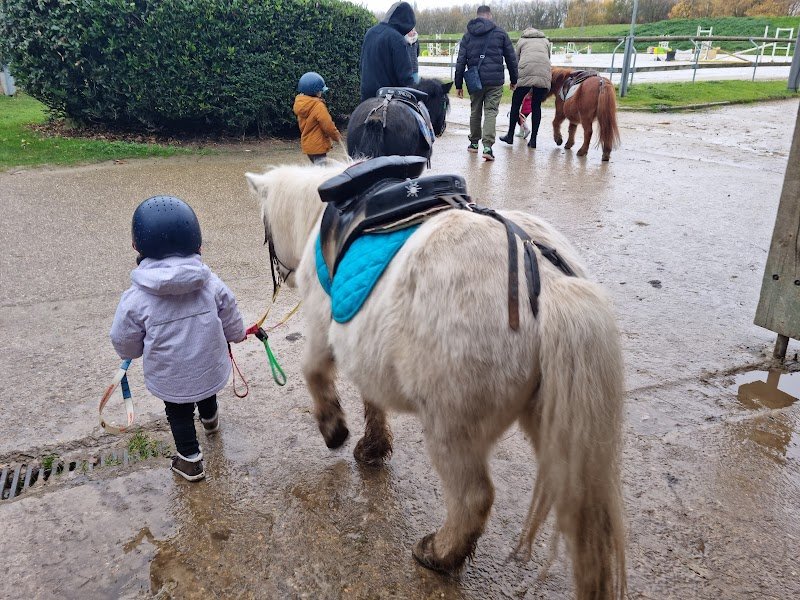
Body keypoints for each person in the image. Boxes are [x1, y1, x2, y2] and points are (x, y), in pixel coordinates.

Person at [110, 196, 246, 482]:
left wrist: (134, 351)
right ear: (197, 244)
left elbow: (124, 341)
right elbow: (230, 312)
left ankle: (190, 459)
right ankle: (210, 420)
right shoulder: (211, 283)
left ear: (136, 245)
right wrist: (237, 335)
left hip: (171, 377)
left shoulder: (136, 299)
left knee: (179, 414)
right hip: (209, 367)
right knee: (206, 392)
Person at [454, 5, 518, 162]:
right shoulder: (501, 33)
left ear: (477, 16)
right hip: (495, 81)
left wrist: (458, 84)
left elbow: (461, 61)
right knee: (491, 111)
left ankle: (474, 144)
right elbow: (511, 58)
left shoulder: (468, 35)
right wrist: (514, 79)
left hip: (475, 79)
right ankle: (488, 147)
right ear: (489, 15)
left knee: (475, 110)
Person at [499, 27, 551, 148]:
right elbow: (548, 58)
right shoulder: (545, 41)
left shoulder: (522, 41)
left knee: (516, 104)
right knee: (536, 105)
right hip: (543, 74)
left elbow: (516, 61)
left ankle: (510, 135)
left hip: (525, 74)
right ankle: (533, 140)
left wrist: (514, 79)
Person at [359, 2, 416, 101]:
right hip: (389, 98)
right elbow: (404, 77)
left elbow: (362, 64)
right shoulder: (397, 39)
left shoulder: (370, 32)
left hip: (366, 96)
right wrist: (414, 89)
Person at [293, 72, 342, 164]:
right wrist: (337, 137)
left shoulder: (301, 104)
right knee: (326, 170)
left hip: (309, 146)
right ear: (315, 91)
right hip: (318, 146)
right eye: (320, 90)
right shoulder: (317, 106)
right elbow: (328, 125)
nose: (321, 92)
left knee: (320, 167)